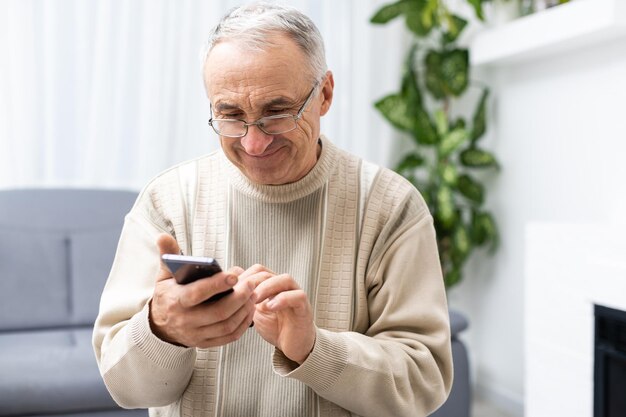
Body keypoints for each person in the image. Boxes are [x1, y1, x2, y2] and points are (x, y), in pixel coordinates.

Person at [92, 2, 452, 417]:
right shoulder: (167, 201)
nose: (253, 143)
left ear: (325, 94)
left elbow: (425, 382)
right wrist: (161, 330)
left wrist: (314, 349)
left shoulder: (391, 206)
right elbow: (123, 387)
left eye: (277, 112)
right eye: (230, 115)